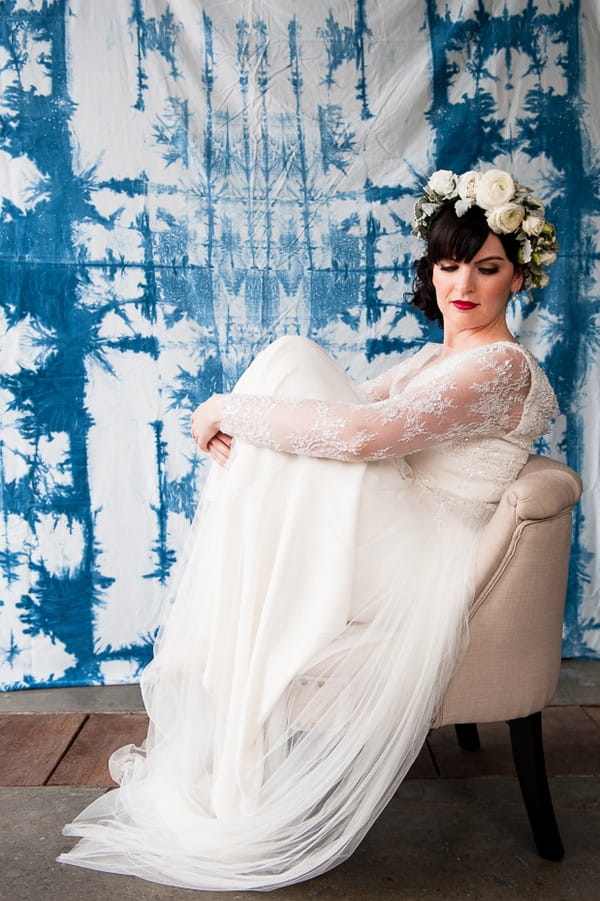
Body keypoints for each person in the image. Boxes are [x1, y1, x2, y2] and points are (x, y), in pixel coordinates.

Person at [57, 167, 560, 891]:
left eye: (487, 268)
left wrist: (224, 410)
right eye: (451, 265)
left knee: (293, 361)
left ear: (518, 277)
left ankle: (235, 641)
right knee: (294, 380)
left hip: (425, 553)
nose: (464, 285)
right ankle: (238, 652)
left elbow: (361, 434)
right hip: (398, 525)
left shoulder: (501, 368)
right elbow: (349, 405)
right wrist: (251, 420)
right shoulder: (437, 358)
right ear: (433, 269)